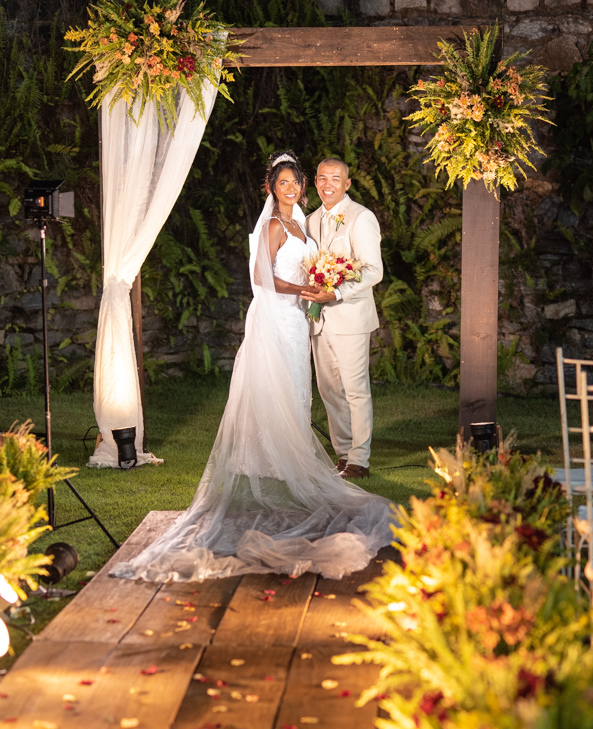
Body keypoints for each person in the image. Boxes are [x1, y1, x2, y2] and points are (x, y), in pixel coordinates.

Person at [111, 151, 391, 584]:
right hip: (287, 314)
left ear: (341, 183)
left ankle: (355, 457)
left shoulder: (325, 219)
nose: (296, 187)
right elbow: (263, 275)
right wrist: (306, 289)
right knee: (311, 387)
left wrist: (325, 291)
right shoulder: (283, 223)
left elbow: (362, 269)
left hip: (316, 316)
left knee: (340, 387)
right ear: (273, 187)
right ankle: (298, 454)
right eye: (288, 182)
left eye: (298, 181)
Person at [301, 158, 383, 480]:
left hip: (350, 317)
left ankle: (359, 461)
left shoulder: (361, 218)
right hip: (318, 321)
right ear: (316, 182)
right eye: (322, 178)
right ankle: (343, 454)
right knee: (329, 391)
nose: (328, 184)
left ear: (347, 184)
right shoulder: (309, 221)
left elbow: (373, 271)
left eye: (335, 178)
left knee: (355, 390)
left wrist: (335, 293)